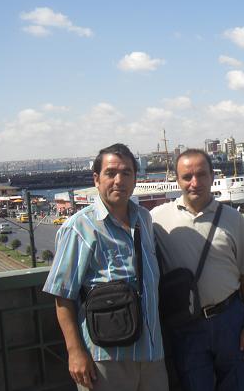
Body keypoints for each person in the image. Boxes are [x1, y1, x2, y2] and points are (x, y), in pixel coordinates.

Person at [43, 143, 167, 391]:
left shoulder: (144, 218)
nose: (119, 180)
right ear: (96, 179)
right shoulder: (79, 227)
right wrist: (75, 352)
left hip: (152, 353)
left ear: (135, 179)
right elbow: (62, 296)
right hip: (106, 357)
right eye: (111, 173)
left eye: (126, 173)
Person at [152, 149, 244, 391]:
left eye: (201, 175)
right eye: (187, 176)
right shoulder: (157, 219)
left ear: (212, 176)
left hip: (230, 319)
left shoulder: (233, 218)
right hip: (187, 326)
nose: (195, 182)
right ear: (177, 180)